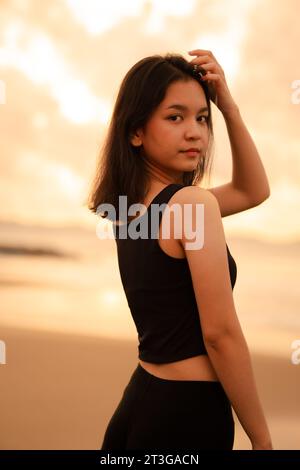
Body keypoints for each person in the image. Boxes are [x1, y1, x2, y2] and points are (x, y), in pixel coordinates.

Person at [87, 50, 273, 450]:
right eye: (175, 117)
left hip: (138, 406)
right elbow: (221, 334)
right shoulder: (191, 205)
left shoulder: (129, 208)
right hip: (186, 418)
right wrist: (262, 439)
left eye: (202, 118)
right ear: (136, 131)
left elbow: (251, 191)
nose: (196, 133)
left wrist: (228, 108)